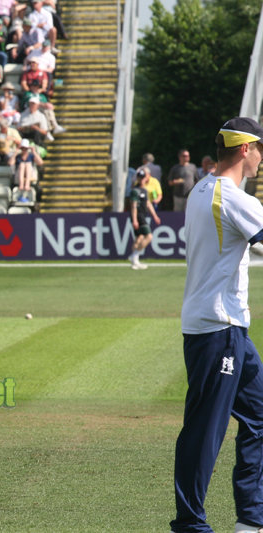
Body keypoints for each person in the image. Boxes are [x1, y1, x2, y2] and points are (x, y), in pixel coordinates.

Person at [171, 117, 263, 533]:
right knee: (205, 432)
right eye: (261, 150)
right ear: (246, 149)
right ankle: (190, 524)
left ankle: (251, 520)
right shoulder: (234, 197)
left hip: (226, 327)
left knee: (260, 418)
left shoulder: (201, 189)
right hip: (218, 327)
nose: (262, 160)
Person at [127, 168, 160, 270]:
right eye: (139, 178)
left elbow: (148, 204)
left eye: (143, 178)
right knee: (149, 236)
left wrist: (155, 215)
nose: (141, 180)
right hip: (138, 217)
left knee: (139, 238)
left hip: (142, 215)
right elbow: (133, 206)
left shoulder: (144, 190)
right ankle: (135, 256)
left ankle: (134, 263)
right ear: (137, 178)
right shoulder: (135, 191)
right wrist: (135, 219)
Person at [14, 138, 42, 202]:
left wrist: (34, 152)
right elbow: (10, 163)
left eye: (25, 148)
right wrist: (16, 152)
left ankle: (27, 184)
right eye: (22, 148)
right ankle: (22, 184)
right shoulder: (18, 156)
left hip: (30, 173)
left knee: (28, 165)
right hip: (20, 174)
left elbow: (40, 162)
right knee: (22, 165)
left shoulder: (31, 156)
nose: (24, 150)